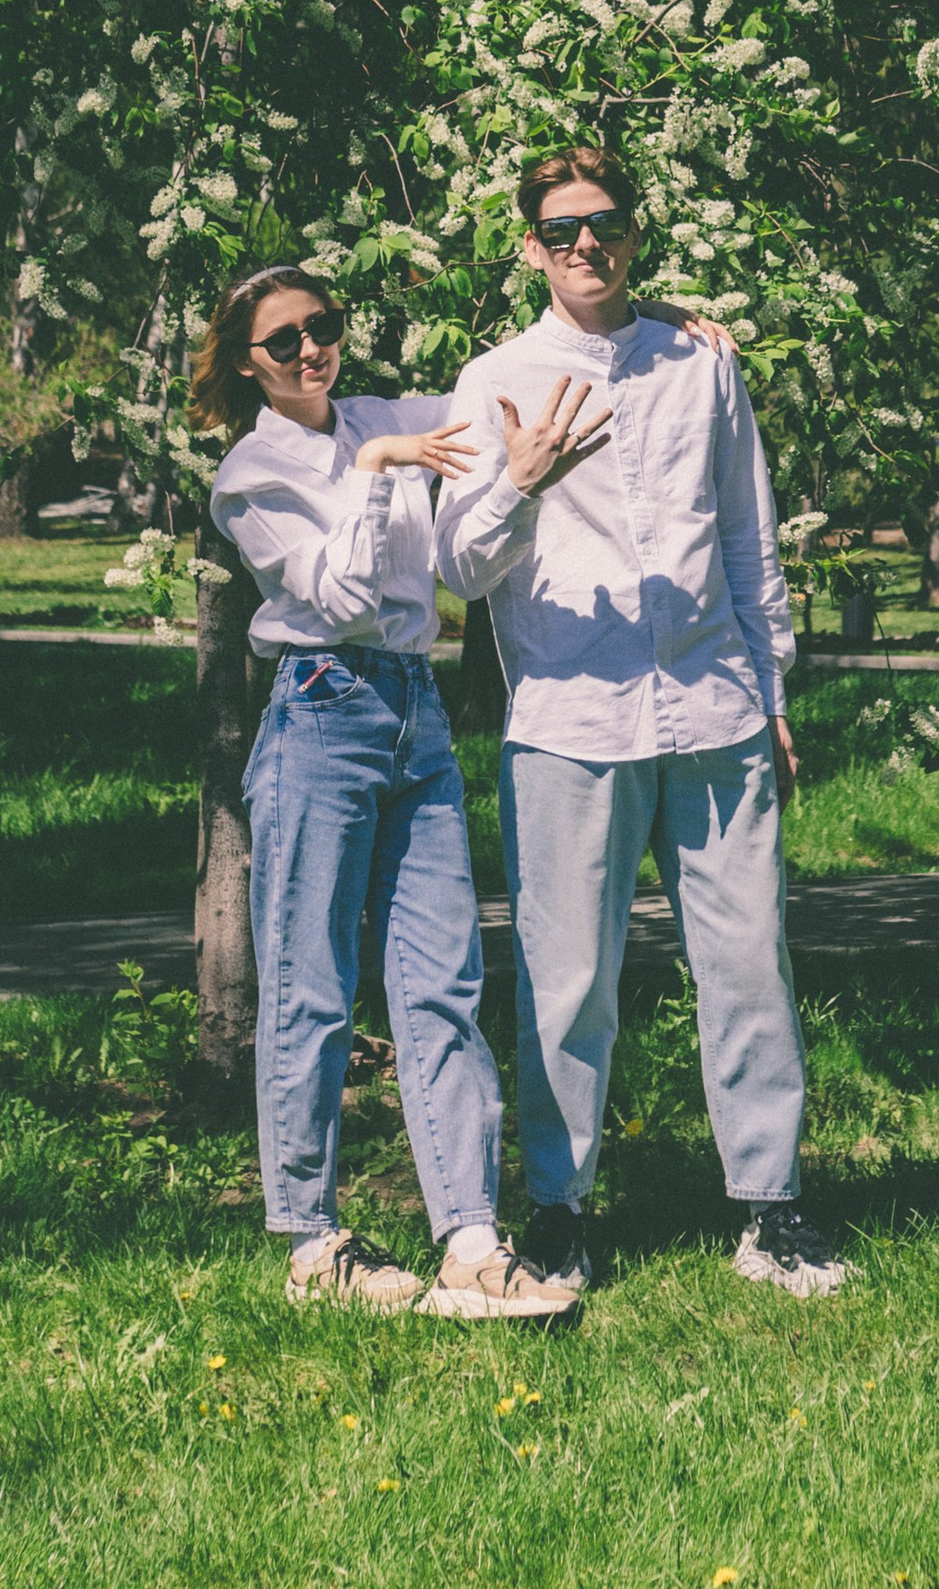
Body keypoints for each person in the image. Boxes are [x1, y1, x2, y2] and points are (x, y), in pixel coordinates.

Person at [434, 147, 852, 1302]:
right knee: (567, 984)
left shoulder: (699, 363)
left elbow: (748, 541)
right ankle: (560, 1214)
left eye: (605, 225)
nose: (585, 246)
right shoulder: (494, 379)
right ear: (529, 247)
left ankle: (773, 1212)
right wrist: (517, 479)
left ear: (633, 235)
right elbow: (460, 568)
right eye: (562, 231)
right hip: (570, 720)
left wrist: (771, 694)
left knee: (750, 963)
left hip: (715, 709)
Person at [197, 259, 577, 1321]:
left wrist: (650, 323)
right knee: (311, 984)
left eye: (322, 325)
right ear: (245, 363)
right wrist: (372, 468)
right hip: (319, 714)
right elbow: (342, 592)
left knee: (443, 982)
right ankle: (314, 1243)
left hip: (414, 713)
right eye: (283, 340)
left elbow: (499, 394)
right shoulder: (249, 478)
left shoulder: (382, 411)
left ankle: (469, 1238)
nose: (311, 349)